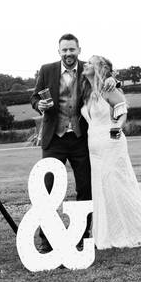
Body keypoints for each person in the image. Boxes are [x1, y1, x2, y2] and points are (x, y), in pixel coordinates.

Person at [81, 55, 141, 249]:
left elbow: (122, 110)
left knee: (117, 184)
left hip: (110, 142)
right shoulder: (89, 92)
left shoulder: (109, 88)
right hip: (94, 148)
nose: (85, 65)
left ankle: (131, 229)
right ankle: (108, 231)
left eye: (90, 63)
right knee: (102, 188)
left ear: (100, 68)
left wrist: (117, 127)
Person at [30, 34, 96, 249]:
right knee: (47, 189)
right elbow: (34, 98)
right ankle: (47, 240)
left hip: (81, 139)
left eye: (72, 49)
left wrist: (115, 81)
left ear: (79, 50)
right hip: (54, 139)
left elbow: (107, 81)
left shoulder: (88, 68)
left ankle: (83, 235)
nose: (68, 53)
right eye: (64, 50)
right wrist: (40, 105)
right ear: (58, 51)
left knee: (85, 188)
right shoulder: (47, 70)